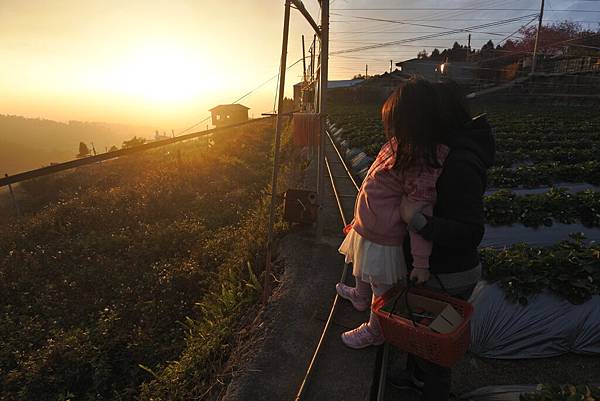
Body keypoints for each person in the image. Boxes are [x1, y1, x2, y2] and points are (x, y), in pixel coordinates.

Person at [398, 80, 496, 401]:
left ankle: (433, 391)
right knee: (422, 334)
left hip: (450, 275)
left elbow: (470, 232)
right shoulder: (439, 151)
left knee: (437, 350)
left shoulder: (460, 162)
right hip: (435, 272)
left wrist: (418, 221)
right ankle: (415, 379)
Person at [335, 78, 450, 349]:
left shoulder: (422, 160)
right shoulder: (399, 145)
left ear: (413, 121)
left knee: (381, 287)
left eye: (396, 121)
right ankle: (359, 297)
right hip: (367, 226)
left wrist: (421, 263)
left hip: (383, 237)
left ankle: (377, 330)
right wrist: (358, 220)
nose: (392, 129)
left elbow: (420, 211)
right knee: (360, 266)